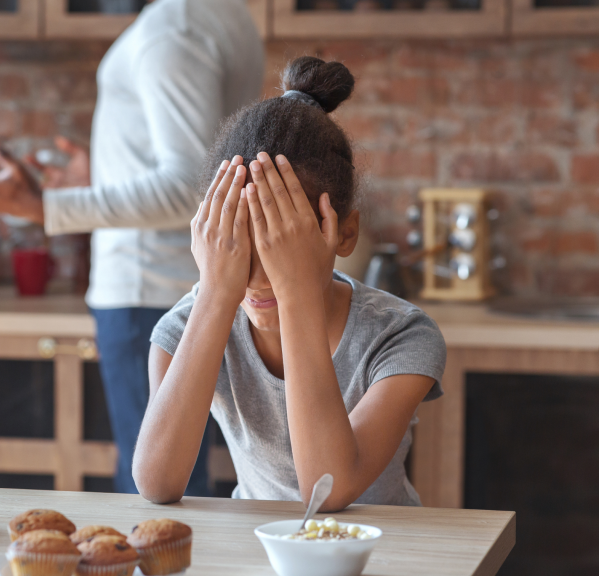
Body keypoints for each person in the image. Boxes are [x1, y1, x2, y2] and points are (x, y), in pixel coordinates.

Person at [0, 0, 265, 496]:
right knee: (180, 487)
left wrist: (46, 207)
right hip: (179, 286)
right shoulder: (225, 17)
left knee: (157, 494)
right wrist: (101, 176)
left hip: (147, 293)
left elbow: (191, 188)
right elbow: (207, 164)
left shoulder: (172, 29)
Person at [133, 57, 447, 508]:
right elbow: (157, 483)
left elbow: (330, 489)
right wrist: (217, 293)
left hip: (379, 550)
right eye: (238, 244)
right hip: (257, 545)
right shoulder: (186, 328)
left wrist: (296, 293)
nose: (258, 279)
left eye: (281, 247)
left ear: (345, 233)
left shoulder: (401, 337)